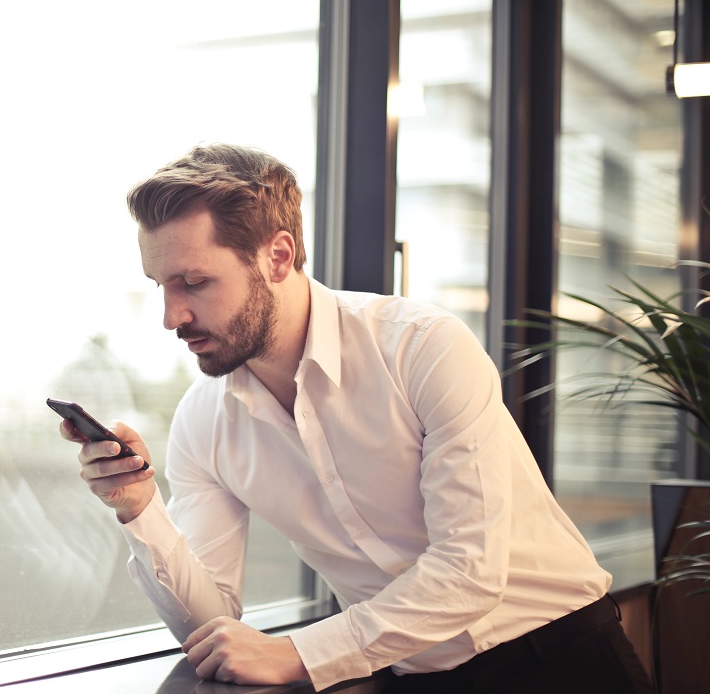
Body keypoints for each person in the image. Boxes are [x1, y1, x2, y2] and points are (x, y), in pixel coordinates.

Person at [58, 143, 655, 693]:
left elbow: (470, 570)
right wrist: (140, 510)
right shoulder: (202, 423)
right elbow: (213, 629)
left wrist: (301, 652)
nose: (171, 316)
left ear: (277, 256)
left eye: (194, 282)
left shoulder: (422, 347)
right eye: (161, 285)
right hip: (403, 675)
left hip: (560, 658)